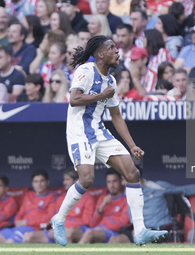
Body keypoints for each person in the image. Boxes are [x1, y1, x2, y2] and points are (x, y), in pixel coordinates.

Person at [50, 35, 168, 247]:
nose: (118, 51)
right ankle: (58, 219)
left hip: (99, 131)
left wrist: (132, 145)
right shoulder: (85, 71)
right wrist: (101, 94)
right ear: (101, 54)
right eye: (112, 48)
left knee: (133, 173)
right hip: (79, 132)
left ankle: (140, 231)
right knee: (86, 180)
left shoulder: (111, 80)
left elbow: (116, 116)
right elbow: (74, 99)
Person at [109, 166, 195, 244]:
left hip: (159, 230)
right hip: (140, 230)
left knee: (135, 235)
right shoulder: (129, 192)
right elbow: (131, 218)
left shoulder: (157, 187)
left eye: (124, 179)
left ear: (133, 178)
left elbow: (184, 190)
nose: (122, 183)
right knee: (114, 240)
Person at [22, 168, 95, 244]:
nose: (64, 182)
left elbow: (87, 221)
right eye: (64, 179)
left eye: (67, 179)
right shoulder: (60, 198)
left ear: (76, 181)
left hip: (78, 230)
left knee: (67, 233)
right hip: (59, 230)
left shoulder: (88, 198)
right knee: (28, 236)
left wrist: (65, 227)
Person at [0, 169, 56, 243]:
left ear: (47, 182)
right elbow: (21, 213)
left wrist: (27, 222)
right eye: (36, 181)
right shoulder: (29, 195)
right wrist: (17, 221)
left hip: (35, 229)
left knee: (9, 243)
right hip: (19, 227)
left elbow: (50, 217)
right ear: (32, 183)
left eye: (42, 181)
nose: (39, 184)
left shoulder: (53, 197)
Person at [78, 169, 130, 243]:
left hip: (113, 232)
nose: (112, 185)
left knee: (90, 233)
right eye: (109, 182)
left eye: (115, 181)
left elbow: (123, 224)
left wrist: (103, 228)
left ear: (121, 181)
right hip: (97, 230)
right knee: (72, 232)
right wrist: (102, 205)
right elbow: (92, 223)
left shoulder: (126, 199)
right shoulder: (103, 199)